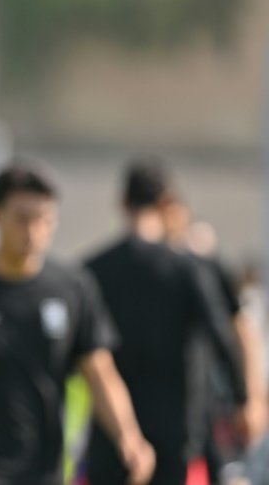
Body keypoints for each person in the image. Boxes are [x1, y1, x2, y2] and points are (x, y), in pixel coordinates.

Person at [0, 160, 156, 485]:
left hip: (45, 470)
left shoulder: (73, 289)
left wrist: (129, 437)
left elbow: (100, 371)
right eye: (22, 218)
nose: (33, 231)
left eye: (43, 219)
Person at [84, 158, 248, 485]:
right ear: (167, 203)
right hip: (175, 428)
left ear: (121, 203)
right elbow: (222, 336)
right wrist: (241, 399)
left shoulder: (93, 270)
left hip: (112, 430)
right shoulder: (188, 270)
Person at [163, 199, 268, 483]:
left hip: (220, 394)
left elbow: (242, 331)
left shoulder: (212, 272)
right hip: (197, 396)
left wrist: (251, 397)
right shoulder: (169, 275)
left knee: (231, 467)